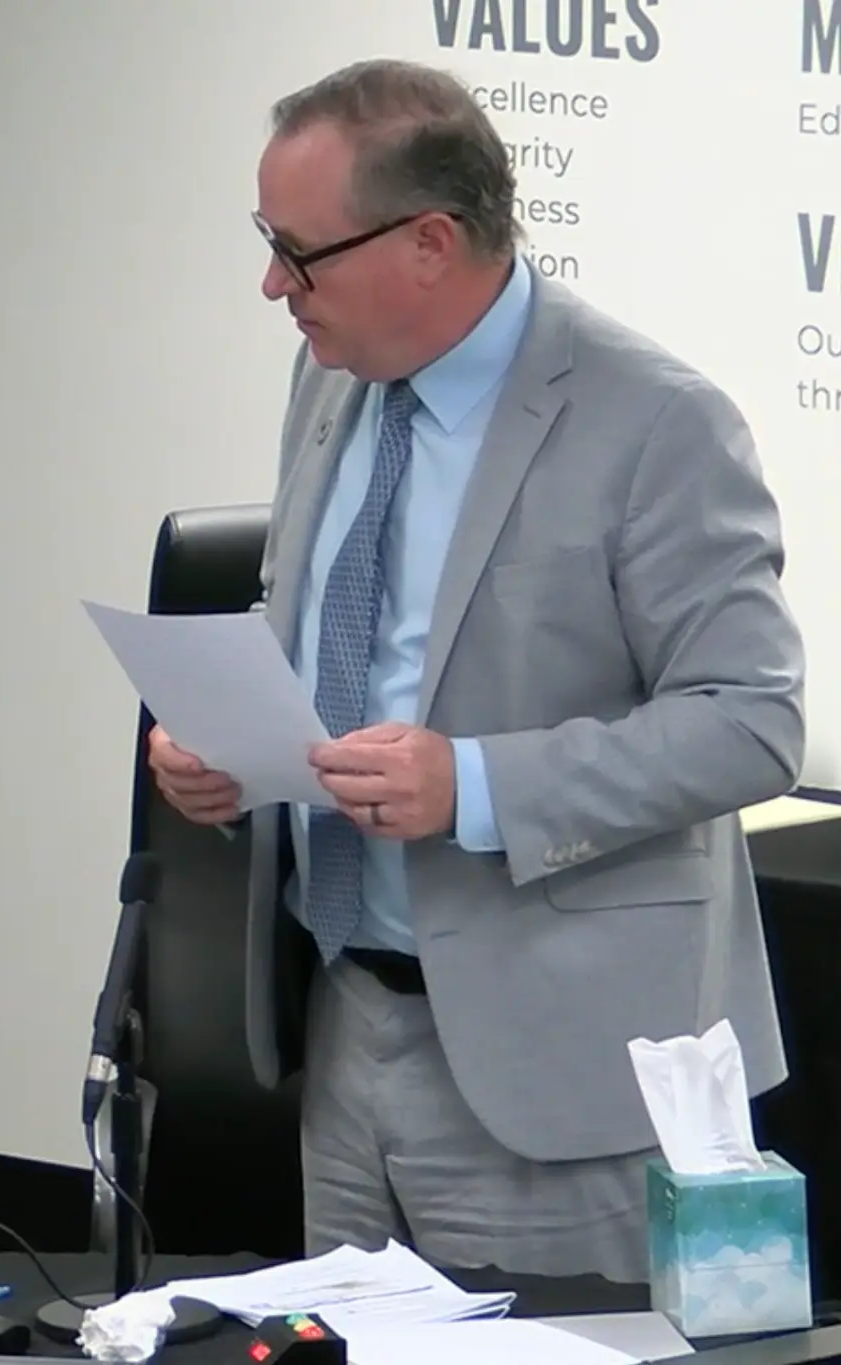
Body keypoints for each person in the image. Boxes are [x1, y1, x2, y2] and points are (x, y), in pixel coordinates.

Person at [146, 58, 805, 1282]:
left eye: (297, 254)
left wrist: (474, 786)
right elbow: (323, 621)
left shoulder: (654, 421)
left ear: (428, 243)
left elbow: (747, 721)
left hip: (564, 1063)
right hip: (343, 1022)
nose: (272, 284)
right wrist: (226, 749)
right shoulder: (329, 378)